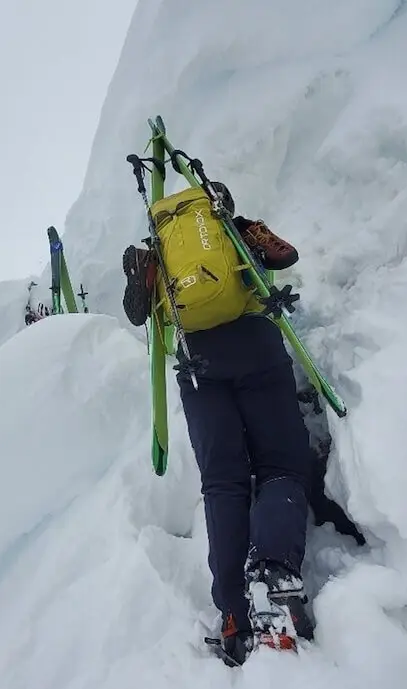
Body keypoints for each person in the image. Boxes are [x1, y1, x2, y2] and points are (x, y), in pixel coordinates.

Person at [120, 182, 331, 665]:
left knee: (224, 484)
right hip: (255, 344)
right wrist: (244, 236)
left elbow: (139, 314)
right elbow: (286, 256)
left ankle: (235, 616)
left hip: (199, 366)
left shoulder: (155, 257)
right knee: (281, 465)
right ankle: (274, 576)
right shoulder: (234, 231)